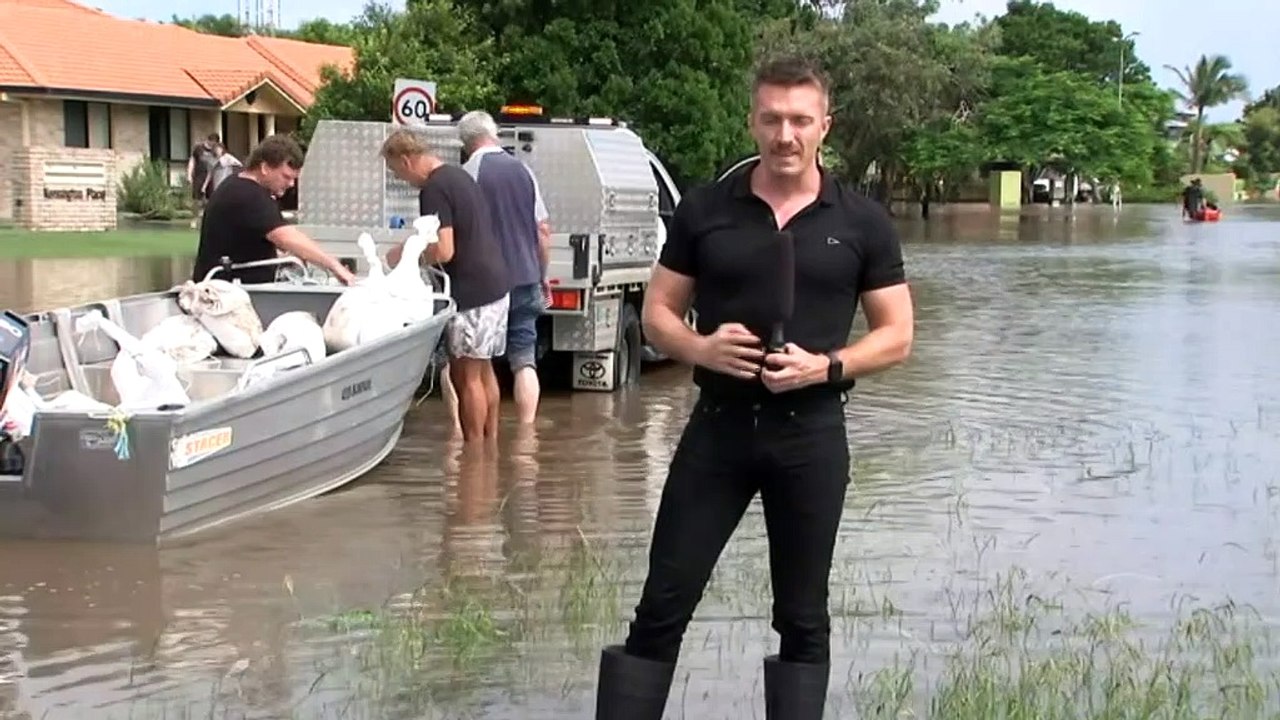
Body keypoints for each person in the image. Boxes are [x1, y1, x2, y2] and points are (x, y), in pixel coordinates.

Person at [592, 56, 915, 720]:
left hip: (813, 435)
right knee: (661, 604)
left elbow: (897, 335)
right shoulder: (706, 209)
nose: (785, 135)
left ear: (826, 124)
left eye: (800, 120)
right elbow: (657, 312)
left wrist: (825, 366)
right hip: (718, 430)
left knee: (802, 616)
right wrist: (700, 347)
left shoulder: (862, 222)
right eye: (772, 119)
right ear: (753, 120)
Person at [380, 129, 512, 443]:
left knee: (464, 376)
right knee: (483, 370)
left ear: (407, 160)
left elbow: (444, 249)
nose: (400, 178)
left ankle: (474, 455)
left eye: (396, 171)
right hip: (496, 285)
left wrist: (410, 256)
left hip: (471, 292)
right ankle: (489, 443)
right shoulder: (459, 176)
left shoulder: (433, 189)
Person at [457, 110, 552, 424]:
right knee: (523, 357)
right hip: (525, 276)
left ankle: (465, 441)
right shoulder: (524, 171)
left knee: (473, 362)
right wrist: (542, 275)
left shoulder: (465, 174)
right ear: (493, 133)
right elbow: (542, 230)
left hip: (482, 285)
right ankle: (527, 436)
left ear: (465, 143)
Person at [192, 134, 356, 286]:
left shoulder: (236, 184)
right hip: (228, 290)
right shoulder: (249, 195)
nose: (291, 184)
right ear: (264, 167)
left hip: (223, 282)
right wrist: (335, 266)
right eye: (286, 176)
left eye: (293, 178)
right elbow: (285, 237)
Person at [188, 133, 221, 228]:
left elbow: (216, 164)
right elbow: (192, 161)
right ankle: (194, 219)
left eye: (214, 144)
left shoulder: (215, 151)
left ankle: (206, 219)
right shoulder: (199, 148)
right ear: (208, 140)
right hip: (199, 177)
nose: (212, 145)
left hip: (211, 178)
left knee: (209, 200)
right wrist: (189, 174)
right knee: (196, 200)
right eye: (211, 143)